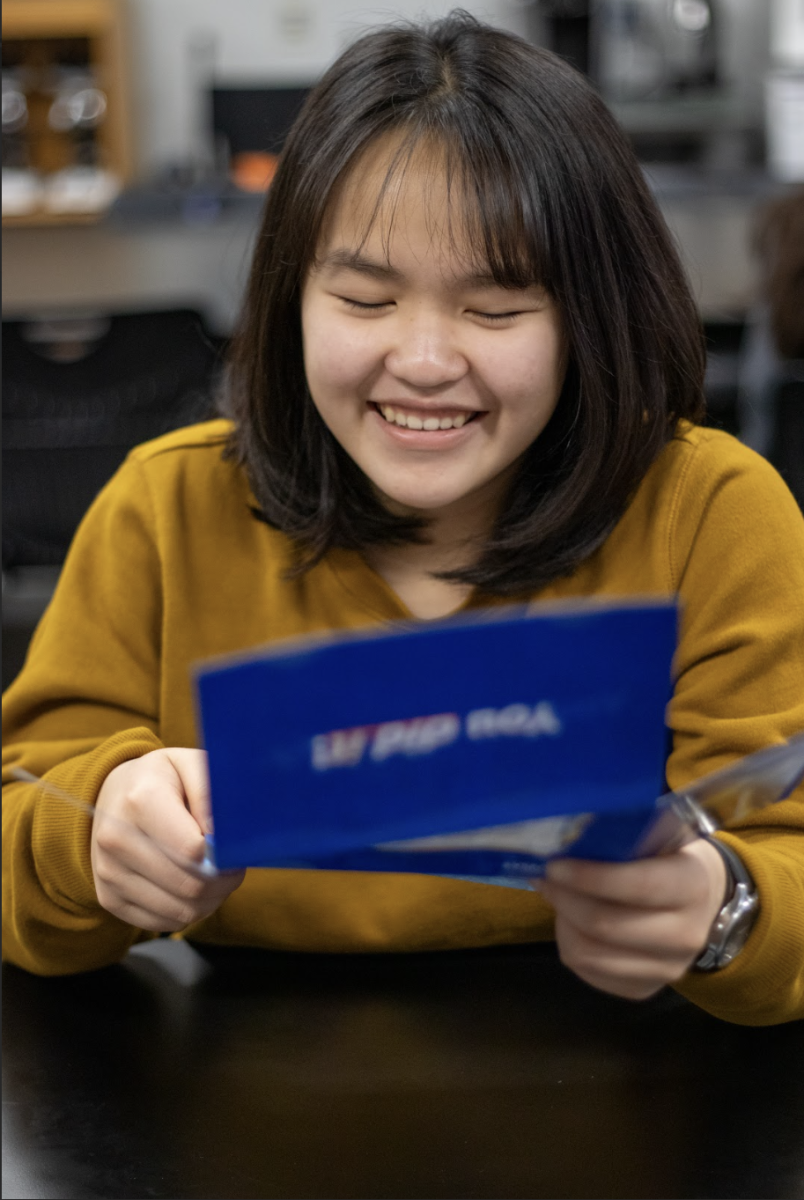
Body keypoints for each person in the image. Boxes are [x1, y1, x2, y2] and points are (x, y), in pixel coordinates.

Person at [3, 12, 803, 1025]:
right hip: (235, 1099)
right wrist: (94, 837)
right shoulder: (167, 508)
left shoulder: (710, 511)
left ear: (590, 316)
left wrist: (723, 904)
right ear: (292, 299)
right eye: (366, 300)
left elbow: (788, 853)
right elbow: (23, 821)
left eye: (496, 309)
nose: (424, 362)